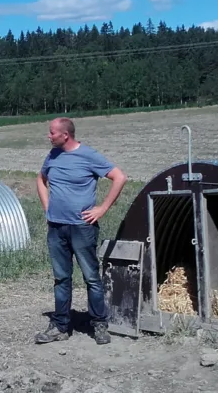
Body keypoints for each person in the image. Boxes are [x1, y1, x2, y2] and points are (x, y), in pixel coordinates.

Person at [34, 117, 128, 345]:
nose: (49, 136)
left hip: (82, 228)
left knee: (91, 278)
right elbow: (41, 179)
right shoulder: (52, 156)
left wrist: (102, 209)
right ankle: (60, 326)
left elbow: (119, 177)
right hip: (56, 228)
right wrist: (48, 209)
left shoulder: (88, 156)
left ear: (65, 135)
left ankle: (99, 324)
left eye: (52, 133)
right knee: (61, 279)